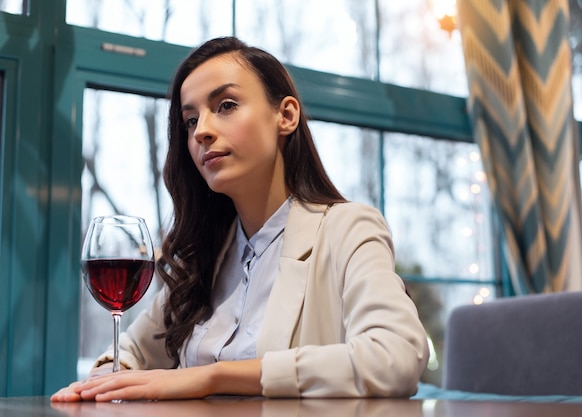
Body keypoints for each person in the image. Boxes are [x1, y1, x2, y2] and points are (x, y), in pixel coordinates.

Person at [51, 36, 429, 402]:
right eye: (190, 120)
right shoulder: (202, 257)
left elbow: (395, 356)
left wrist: (210, 378)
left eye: (227, 105)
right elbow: (128, 355)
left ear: (286, 115)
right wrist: (100, 385)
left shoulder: (348, 229)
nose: (202, 131)